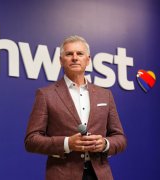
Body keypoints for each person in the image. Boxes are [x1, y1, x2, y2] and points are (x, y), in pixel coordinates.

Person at [24, 35, 127, 180]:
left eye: (79, 53)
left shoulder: (105, 95)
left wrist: (104, 144)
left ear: (88, 60)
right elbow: (31, 140)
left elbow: (120, 138)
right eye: (69, 54)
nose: (74, 58)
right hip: (62, 175)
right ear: (61, 60)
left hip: (101, 175)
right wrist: (67, 143)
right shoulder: (46, 95)